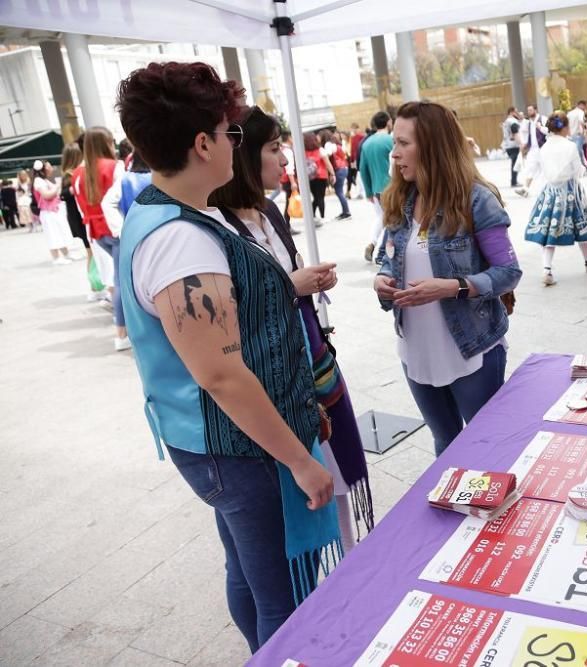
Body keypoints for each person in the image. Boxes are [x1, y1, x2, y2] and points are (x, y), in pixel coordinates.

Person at [115, 61, 340, 653]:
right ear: (203, 143)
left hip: (224, 442)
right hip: (239, 448)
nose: (234, 144)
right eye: (230, 131)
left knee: (250, 573)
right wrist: (300, 460)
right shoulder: (179, 240)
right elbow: (218, 373)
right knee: (283, 598)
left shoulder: (180, 212)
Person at [208, 105, 377, 537]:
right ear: (242, 155)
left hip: (312, 360)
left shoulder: (267, 210)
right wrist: (291, 283)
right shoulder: (216, 228)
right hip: (275, 378)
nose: (285, 159)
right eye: (273, 148)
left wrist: (310, 279)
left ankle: (346, 559)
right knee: (301, 499)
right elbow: (232, 310)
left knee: (337, 470)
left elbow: (286, 276)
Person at [373, 101, 521, 456]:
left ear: (433, 145)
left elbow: (509, 272)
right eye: (394, 143)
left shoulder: (476, 200)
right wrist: (382, 279)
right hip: (416, 351)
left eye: (403, 143)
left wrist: (453, 288)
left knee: (486, 447)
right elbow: (387, 256)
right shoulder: (399, 198)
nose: (394, 154)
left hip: (471, 349)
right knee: (446, 446)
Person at [524, 112, 587, 286]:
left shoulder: (544, 147)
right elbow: (578, 170)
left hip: (550, 192)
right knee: (581, 224)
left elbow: (538, 170)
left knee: (549, 229)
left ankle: (547, 269)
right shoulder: (570, 146)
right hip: (571, 190)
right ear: (565, 127)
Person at [73, 127, 130, 351]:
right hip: (115, 229)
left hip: (95, 231)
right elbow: (122, 197)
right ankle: (121, 334)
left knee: (117, 280)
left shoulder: (78, 172)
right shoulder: (114, 166)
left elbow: (80, 207)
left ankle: (124, 331)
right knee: (120, 282)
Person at [360, 110, 393, 263]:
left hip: (377, 189)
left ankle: (372, 243)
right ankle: (381, 253)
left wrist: (368, 192)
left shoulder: (367, 143)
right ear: (388, 122)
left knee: (383, 218)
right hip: (392, 186)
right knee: (393, 221)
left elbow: (363, 169)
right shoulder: (391, 140)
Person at [32, 160, 74, 264]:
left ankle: (66, 254)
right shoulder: (38, 181)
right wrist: (58, 185)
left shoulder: (44, 180)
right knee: (53, 234)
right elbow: (47, 195)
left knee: (59, 232)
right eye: (49, 167)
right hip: (48, 212)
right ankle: (56, 257)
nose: (52, 168)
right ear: (44, 169)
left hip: (53, 211)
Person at [514, 104, 547, 197]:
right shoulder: (528, 122)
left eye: (531, 110)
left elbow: (548, 131)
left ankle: (546, 190)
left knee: (545, 170)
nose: (529, 112)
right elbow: (525, 134)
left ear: (535, 110)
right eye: (528, 110)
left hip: (543, 149)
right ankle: (525, 189)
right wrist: (524, 145)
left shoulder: (543, 119)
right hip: (533, 149)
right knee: (529, 169)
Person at [302, 131, 333, 223]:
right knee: (320, 197)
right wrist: (332, 174)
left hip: (309, 177)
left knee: (315, 197)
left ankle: (312, 215)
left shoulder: (302, 152)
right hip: (321, 176)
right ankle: (322, 217)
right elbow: (328, 164)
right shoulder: (320, 150)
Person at [321, 130, 351, 220]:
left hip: (338, 169)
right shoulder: (338, 145)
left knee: (339, 192)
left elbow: (327, 156)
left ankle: (347, 212)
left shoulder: (328, 145)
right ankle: (345, 211)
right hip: (344, 168)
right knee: (340, 191)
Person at [500, 106, 521, 187]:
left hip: (507, 144)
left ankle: (514, 180)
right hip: (513, 144)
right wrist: (520, 143)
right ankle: (514, 181)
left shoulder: (506, 121)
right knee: (515, 163)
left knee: (514, 163)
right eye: (516, 111)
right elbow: (514, 133)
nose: (517, 113)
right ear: (511, 112)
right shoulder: (512, 121)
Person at [567, 100, 587, 164]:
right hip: (578, 135)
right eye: (585, 106)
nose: (585, 108)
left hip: (570, 135)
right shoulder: (580, 112)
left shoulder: (569, 113)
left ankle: (579, 166)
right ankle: (583, 166)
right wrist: (585, 133)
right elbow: (581, 122)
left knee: (574, 152)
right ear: (581, 105)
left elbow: (566, 124)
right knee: (579, 152)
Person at [347, 123, 363, 199]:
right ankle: (359, 192)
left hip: (360, 157)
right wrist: (352, 160)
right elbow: (352, 150)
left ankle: (361, 191)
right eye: (352, 129)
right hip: (355, 159)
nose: (353, 130)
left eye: (354, 128)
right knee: (357, 175)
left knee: (360, 175)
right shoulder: (352, 138)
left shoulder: (361, 136)